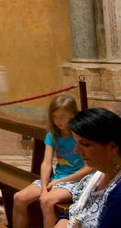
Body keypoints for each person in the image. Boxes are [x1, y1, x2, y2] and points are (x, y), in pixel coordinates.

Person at [13, 95, 91, 228]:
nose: (57, 121)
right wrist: (44, 187)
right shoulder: (52, 136)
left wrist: (59, 182)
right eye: (54, 117)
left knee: (46, 201)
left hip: (77, 182)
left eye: (62, 117)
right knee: (19, 198)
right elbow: (46, 163)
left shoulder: (81, 135)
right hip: (56, 179)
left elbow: (89, 168)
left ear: (73, 115)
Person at [57, 108, 121, 228]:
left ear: (112, 147)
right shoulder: (97, 176)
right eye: (76, 142)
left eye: (85, 144)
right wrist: (62, 222)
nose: (76, 150)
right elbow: (77, 211)